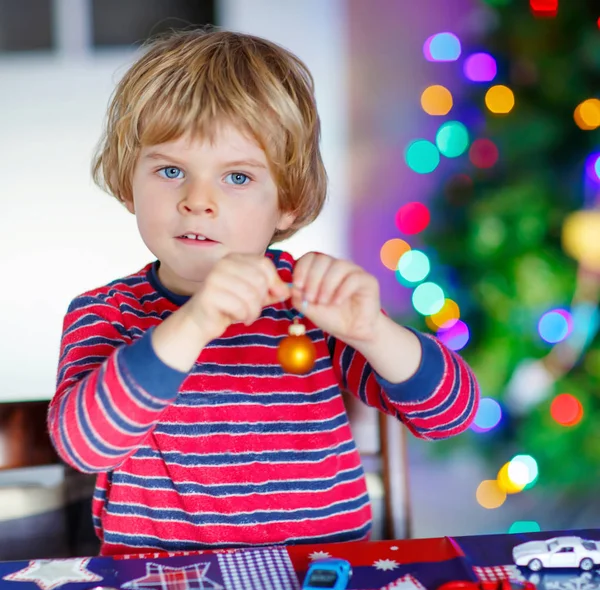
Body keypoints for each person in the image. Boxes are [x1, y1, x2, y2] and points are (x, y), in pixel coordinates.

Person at [48, 28, 479, 556]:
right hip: (163, 584)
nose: (198, 200)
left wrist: (373, 331)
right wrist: (196, 321)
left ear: (287, 203)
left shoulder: (312, 303)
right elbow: (83, 444)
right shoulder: (105, 313)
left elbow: (451, 414)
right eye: (170, 170)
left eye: (237, 177)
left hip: (318, 576)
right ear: (127, 182)